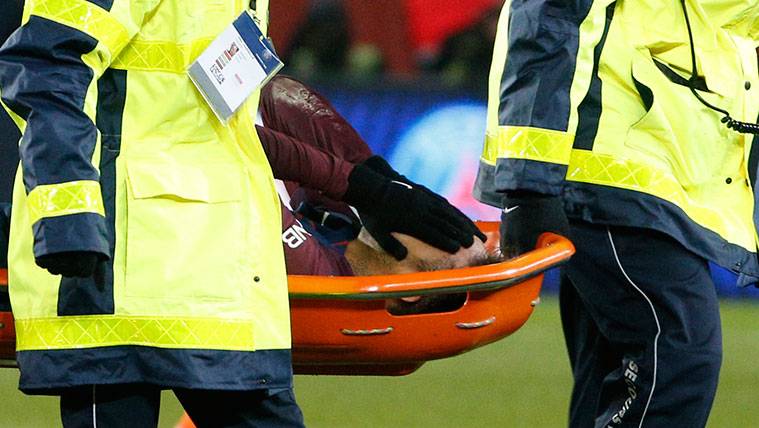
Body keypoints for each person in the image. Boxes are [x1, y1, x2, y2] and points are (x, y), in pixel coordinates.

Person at [0, 3, 480, 428]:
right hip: (116, 264)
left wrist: (366, 183)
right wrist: (68, 212)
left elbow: (236, 115)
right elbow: (47, 63)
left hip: (196, 275)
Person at [473, 1, 758, 427]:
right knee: (678, 354)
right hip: (611, 163)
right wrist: (528, 182)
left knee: (613, 381)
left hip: (661, 166)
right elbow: (546, 15)